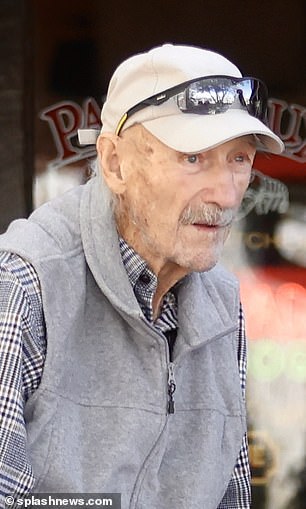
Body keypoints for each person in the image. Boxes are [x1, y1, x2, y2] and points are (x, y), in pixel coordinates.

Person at [0, 43, 283, 509]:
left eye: (239, 159)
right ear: (114, 163)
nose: (227, 194)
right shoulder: (27, 284)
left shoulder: (222, 305)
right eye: (193, 158)